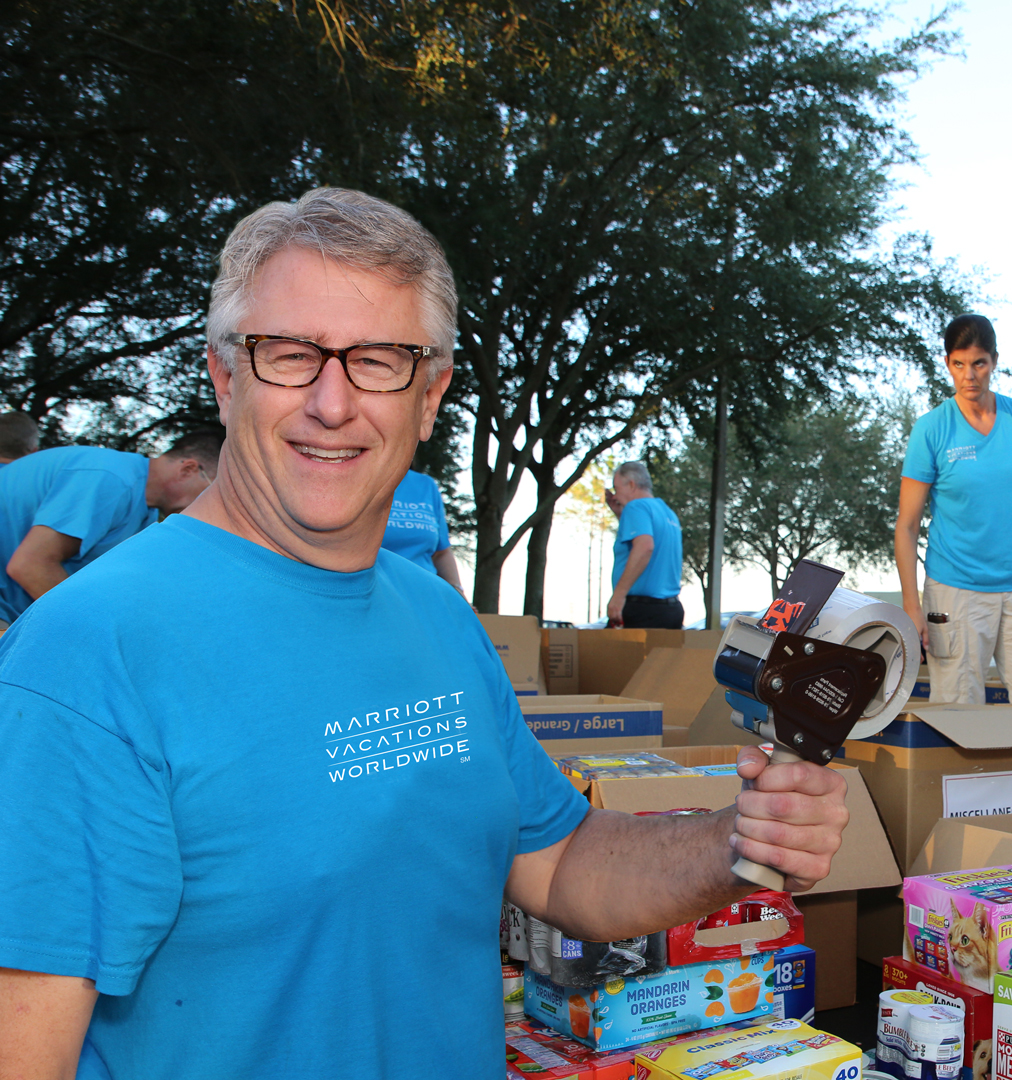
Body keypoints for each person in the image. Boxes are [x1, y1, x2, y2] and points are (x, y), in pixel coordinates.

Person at [0, 188, 848, 1079]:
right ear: (225, 375)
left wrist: (743, 838)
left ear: (432, 393)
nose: (332, 403)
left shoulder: (436, 612)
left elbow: (560, 867)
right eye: (289, 355)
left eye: (378, 361)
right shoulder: (88, 655)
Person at [895, 313, 1012, 705]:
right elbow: (906, 527)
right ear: (947, 364)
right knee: (958, 713)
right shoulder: (932, 429)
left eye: (979, 363)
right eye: (958, 364)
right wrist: (911, 603)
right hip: (954, 592)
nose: (969, 375)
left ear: (994, 361)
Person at [0, 432, 220, 624]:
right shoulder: (110, 478)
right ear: (188, 469)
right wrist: (97, 629)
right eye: (212, 490)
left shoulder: (147, 515)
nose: (211, 503)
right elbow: (29, 566)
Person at [606, 460, 685, 629]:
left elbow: (645, 546)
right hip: (670, 610)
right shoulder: (667, 513)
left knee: (601, 654)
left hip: (640, 611)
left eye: (616, 488)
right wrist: (621, 516)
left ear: (631, 484)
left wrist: (618, 596)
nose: (614, 496)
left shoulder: (635, 507)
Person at [382, 467, 465, 594]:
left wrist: (457, 592)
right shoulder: (354, 479)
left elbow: (441, 552)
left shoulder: (426, 484)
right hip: (374, 595)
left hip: (426, 596)